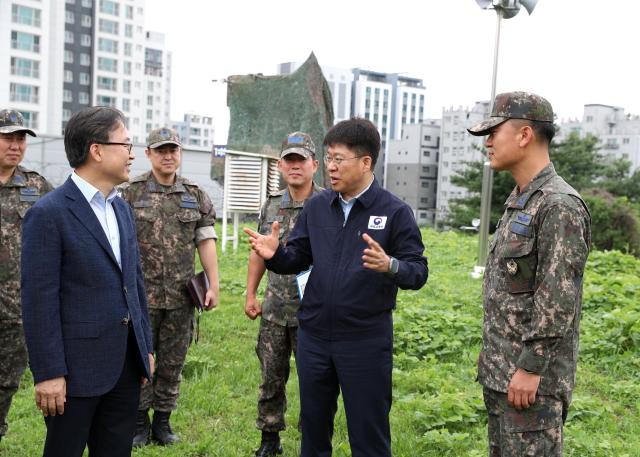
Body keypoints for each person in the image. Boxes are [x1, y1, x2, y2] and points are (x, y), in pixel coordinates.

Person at [244, 118, 428, 457]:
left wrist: (391, 266)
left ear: (365, 162)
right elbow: (297, 257)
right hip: (314, 338)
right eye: (328, 157)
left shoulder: (394, 212)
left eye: (338, 158)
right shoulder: (318, 206)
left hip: (365, 342)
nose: (330, 166)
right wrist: (275, 255)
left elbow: (418, 271)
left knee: (368, 435)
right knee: (313, 432)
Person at [21, 106, 154, 457]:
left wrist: (145, 347)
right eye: (126, 144)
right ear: (97, 150)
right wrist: (49, 372)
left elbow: (134, 283)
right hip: (74, 373)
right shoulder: (48, 214)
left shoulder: (121, 208)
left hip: (124, 366)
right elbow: (38, 300)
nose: (132, 154)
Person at [467, 91, 591, 457]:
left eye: (494, 132)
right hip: (502, 374)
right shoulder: (521, 200)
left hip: (531, 385)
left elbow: (557, 299)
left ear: (524, 135)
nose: (488, 142)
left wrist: (531, 368)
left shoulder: (558, 205)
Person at [119, 127, 220, 447]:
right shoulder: (130, 193)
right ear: (148, 153)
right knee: (140, 358)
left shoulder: (195, 195)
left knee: (173, 362)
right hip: (140, 297)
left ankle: (162, 421)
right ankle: (139, 422)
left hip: (181, 297)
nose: (167, 156)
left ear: (180, 154)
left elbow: (206, 242)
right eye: (161, 150)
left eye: (173, 150)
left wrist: (213, 284)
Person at [244, 132, 322, 457]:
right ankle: (269, 439)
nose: (294, 166)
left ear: (314, 165)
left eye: (301, 160)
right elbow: (259, 252)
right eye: (289, 160)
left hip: (314, 312)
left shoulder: (327, 205)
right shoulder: (273, 204)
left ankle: (313, 440)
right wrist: (251, 294)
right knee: (271, 377)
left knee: (315, 382)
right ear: (280, 165)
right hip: (275, 310)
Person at [0, 109, 53, 443]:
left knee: (5, 381)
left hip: (16, 308)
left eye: (21, 139)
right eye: (8, 137)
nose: (16, 145)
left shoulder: (37, 186)